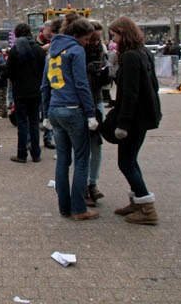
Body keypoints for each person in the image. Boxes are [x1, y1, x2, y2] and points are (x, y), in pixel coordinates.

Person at [41, 13, 99, 220]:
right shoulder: (76, 50)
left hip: (55, 110)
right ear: (76, 35)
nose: (87, 43)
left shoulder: (52, 52)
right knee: (82, 161)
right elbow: (81, 83)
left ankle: (64, 207)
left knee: (62, 161)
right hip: (74, 109)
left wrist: (45, 113)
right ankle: (79, 209)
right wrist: (91, 113)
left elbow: (45, 85)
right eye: (86, 39)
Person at [109, 16, 162, 225]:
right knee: (130, 160)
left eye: (114, 35)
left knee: (126, 162)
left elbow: (130, 93)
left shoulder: (131, 56)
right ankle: (138, 201)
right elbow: (153, 85)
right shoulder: (143, 52)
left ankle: (147, 207)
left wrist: (123, 123)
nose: (113, 39)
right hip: (145, 115)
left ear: (123, 34)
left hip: (133, 118)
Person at [6, 23, 46, 163]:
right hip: (36, 92)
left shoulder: (15, 50)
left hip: (20, 92)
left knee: (22, 123)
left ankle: (21, 154)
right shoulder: (39, 50)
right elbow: (43, 71)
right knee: (34, 123)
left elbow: (9, 71)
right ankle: (36, 154)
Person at [84, 21, 111, 206]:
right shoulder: (77, 51)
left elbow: (105, 77)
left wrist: (104, 74)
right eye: (93, 39)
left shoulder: (101, 49)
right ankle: (84, 185)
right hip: (82, 103)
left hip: (97, 100)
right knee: (82, 148)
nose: (95, 43)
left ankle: (93, 183)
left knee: (96, 146)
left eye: (98, 39)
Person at [35, 20, 55, 149]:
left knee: (47, 110)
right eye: (48, 30)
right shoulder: (37, 43)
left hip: (50, 81)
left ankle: (48, 137)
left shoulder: (56, 43)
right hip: (39, 81)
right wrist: (42, 50)